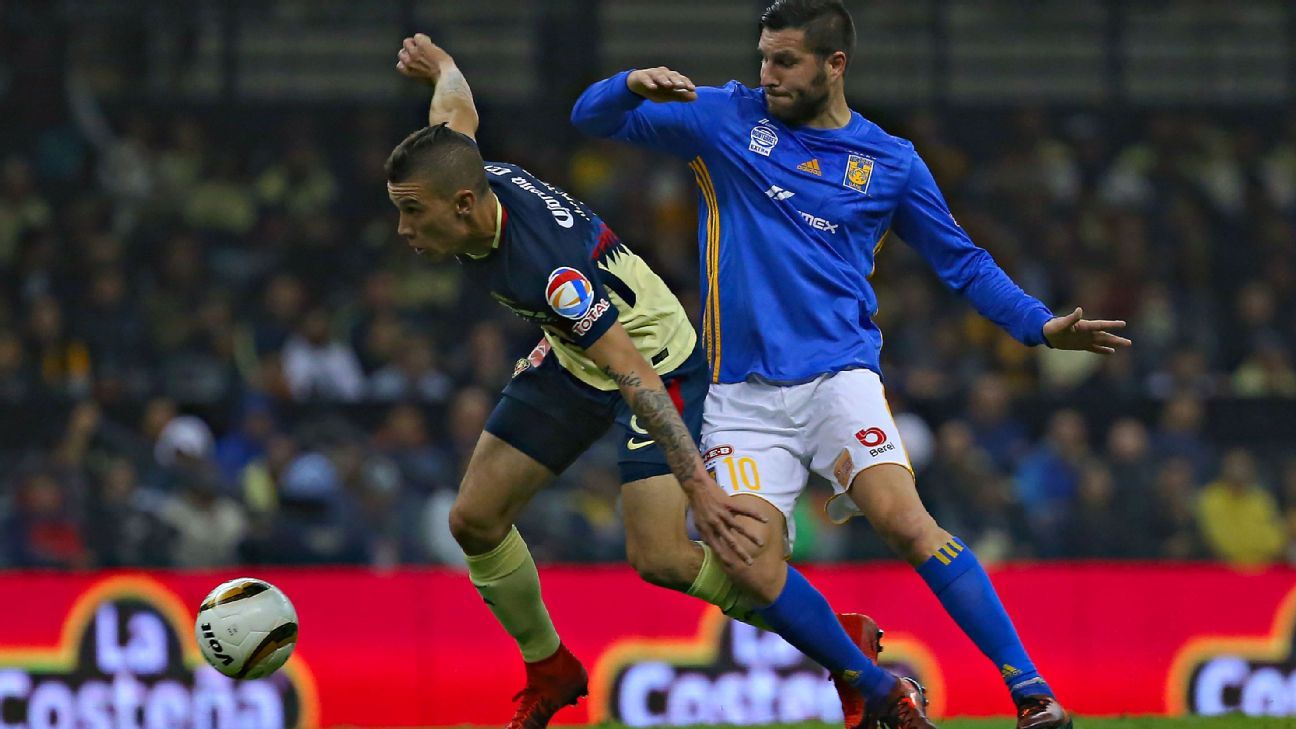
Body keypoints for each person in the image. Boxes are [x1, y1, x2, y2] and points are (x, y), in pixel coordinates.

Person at [572, 2, 1133, 727]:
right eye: (763, 56)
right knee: (750, 563)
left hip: (840, 377)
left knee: (906, 522)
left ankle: (1030, 691)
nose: (766, 74)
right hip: (742, 395)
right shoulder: (722, 119)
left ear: (834, 65)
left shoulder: (890, 161)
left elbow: (962, 262)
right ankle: (860, 662)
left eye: (785, 62)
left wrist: (1039, 326)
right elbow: (591, 117)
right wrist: (628, 84)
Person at [389, 34, 908, 729]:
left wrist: (699, 484)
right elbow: (456, 117)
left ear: (460, 205)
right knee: (474, 519)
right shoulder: (467, 175)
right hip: (575, 355)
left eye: (412, 212)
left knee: (661, 556)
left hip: (654, 364)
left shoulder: (552, 272)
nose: (402, 228)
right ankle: (551, 667)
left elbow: (631, 371)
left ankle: (847, 657)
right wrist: (446, 68)